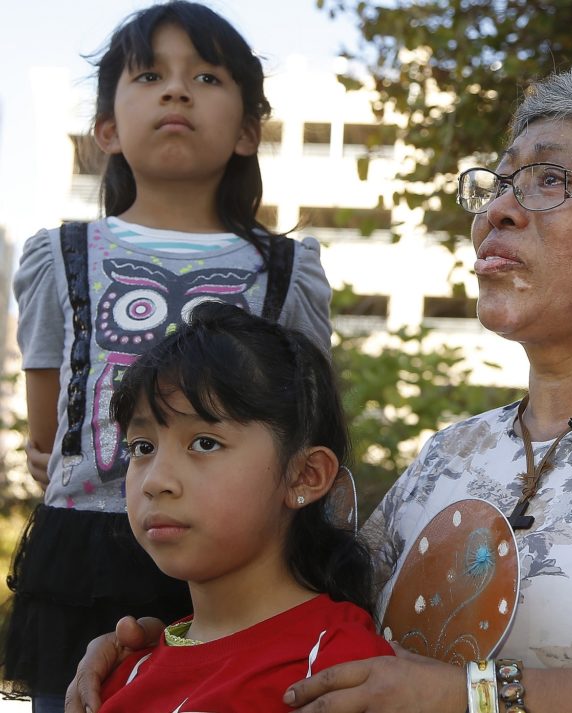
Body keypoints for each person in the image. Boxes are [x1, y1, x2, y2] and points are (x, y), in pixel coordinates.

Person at [68, 61, 572, 713]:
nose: (498, 211)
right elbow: (296, 613)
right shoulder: (449, 457)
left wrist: (478, 697)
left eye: (549, 181)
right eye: (495, 185)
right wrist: (171, 649)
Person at [1, 3, 333, 710]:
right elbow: (47, 427)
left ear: (248, 132)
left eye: (207, 77)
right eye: (150, 74)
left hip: (241, 557)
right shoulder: (58, 256)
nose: (177, 90)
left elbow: (310, 415)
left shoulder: (288, 268)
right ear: (107, 130)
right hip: (86, 552)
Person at [95, 302, 394, 711]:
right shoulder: (123, 670)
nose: (155, 481)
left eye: (204, 443)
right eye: (142, 447)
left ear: (305, 475)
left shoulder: (338, 668)